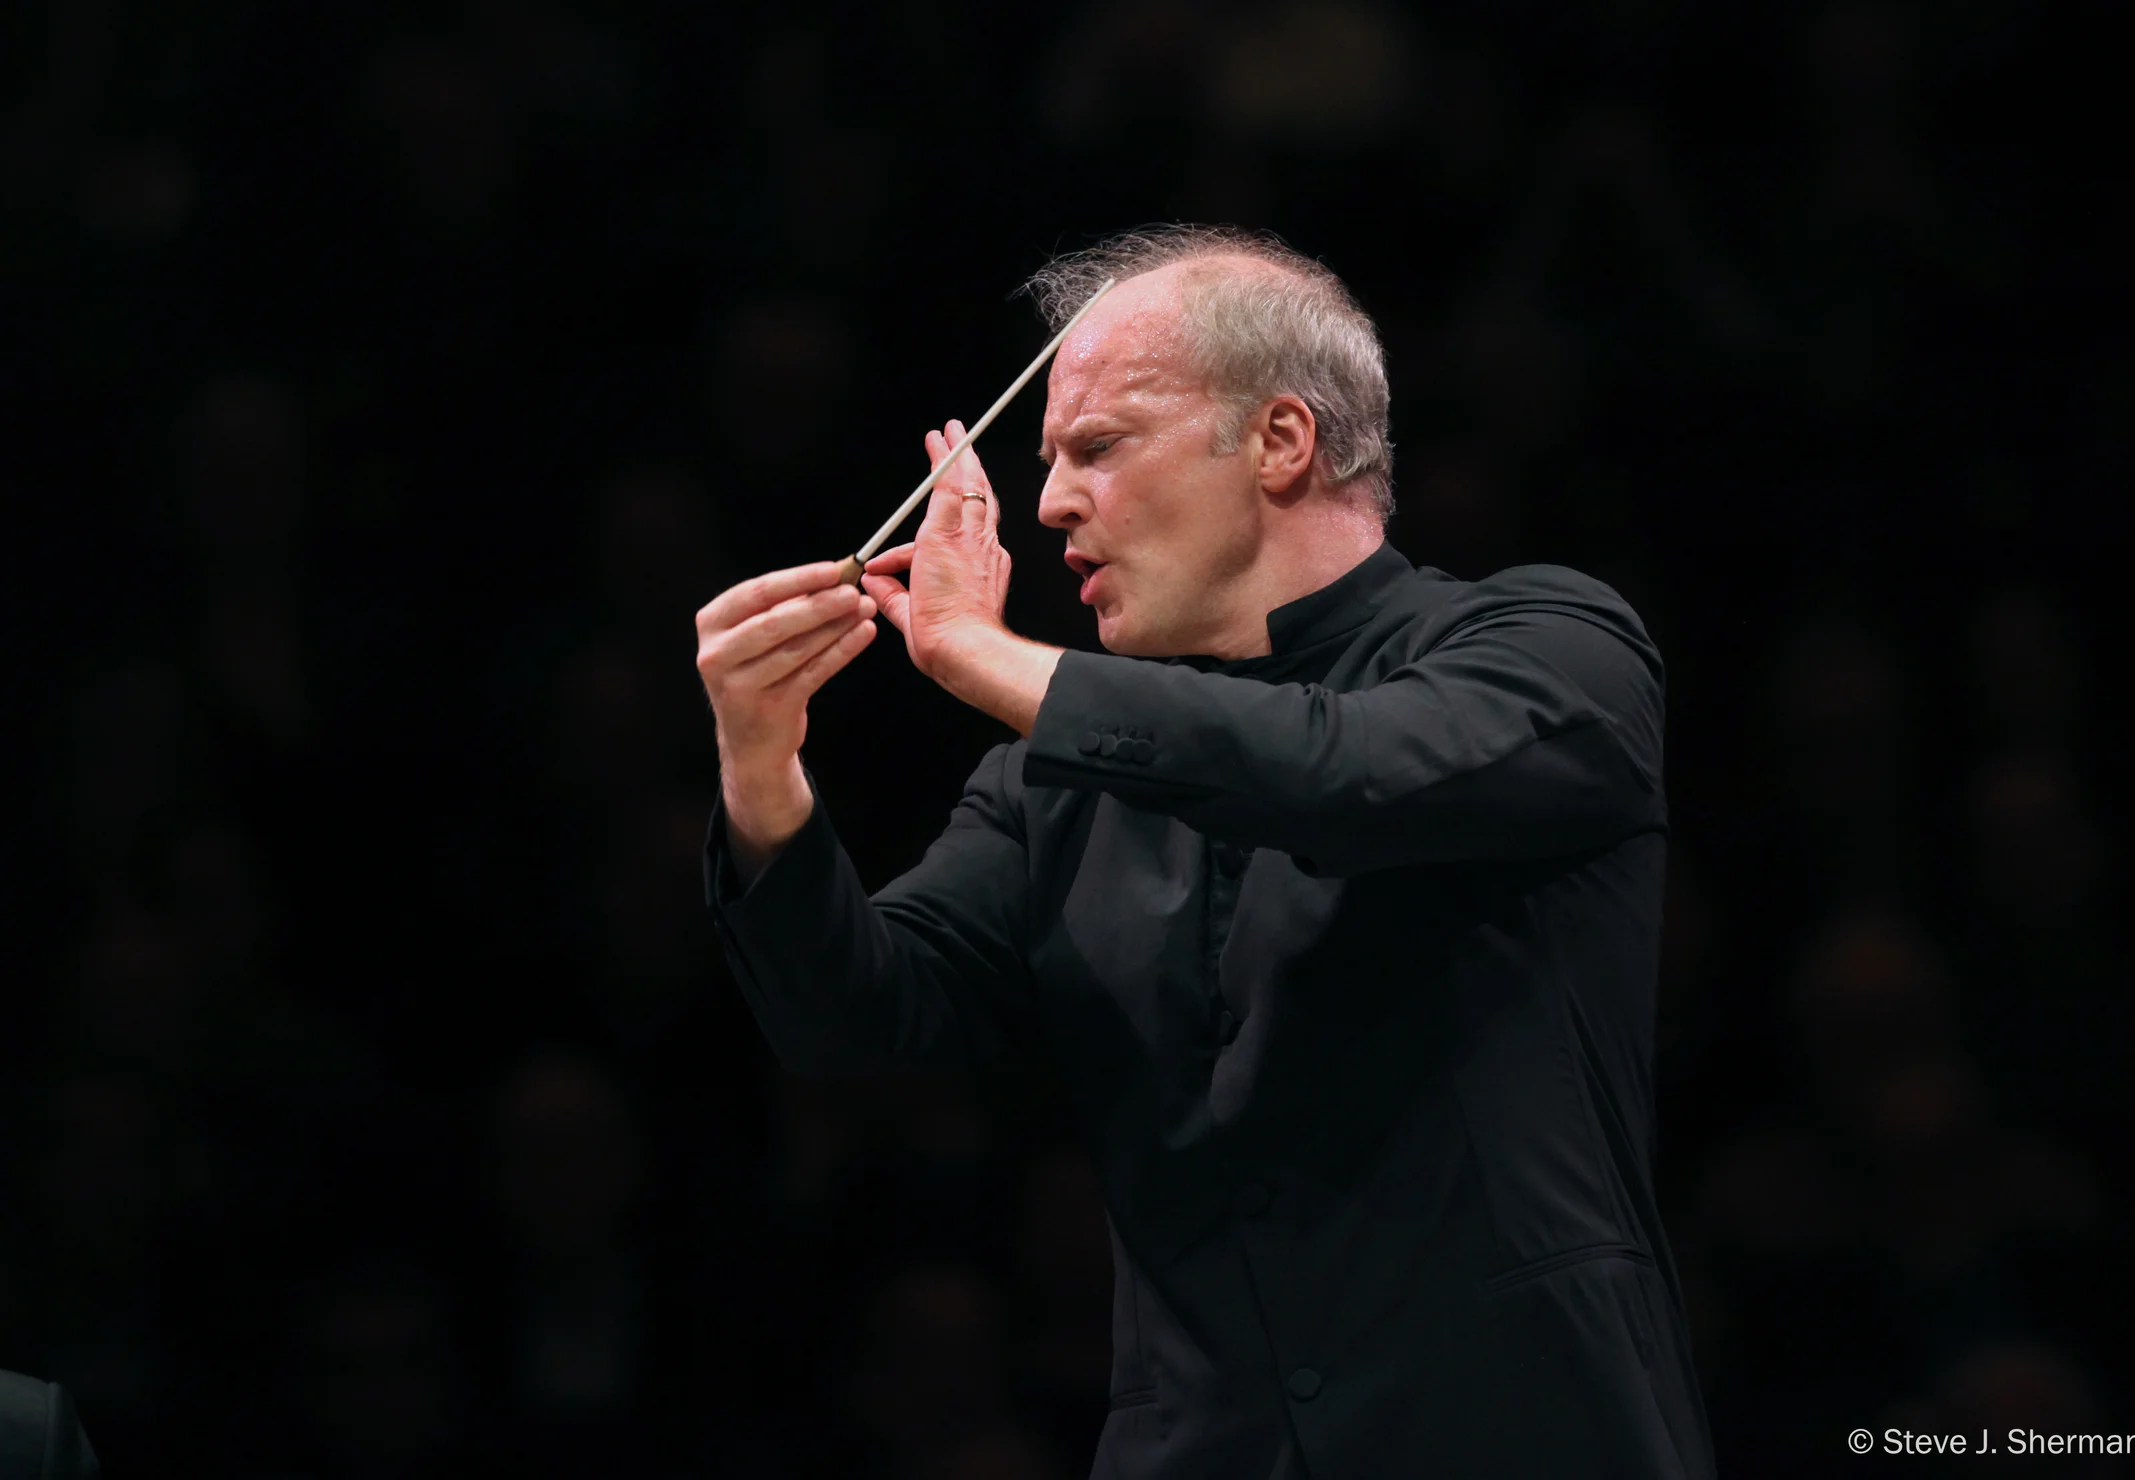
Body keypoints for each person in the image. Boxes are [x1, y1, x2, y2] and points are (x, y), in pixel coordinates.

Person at [694, 225, 1716, 1479]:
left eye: (1096, 448)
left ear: (1279, 441)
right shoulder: (1047, 784)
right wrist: (760, 768)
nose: (1049, 501)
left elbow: (1344, 772)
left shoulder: (1549, 644)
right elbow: (859, 1028)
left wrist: (981, 655)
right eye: (1048, 459)